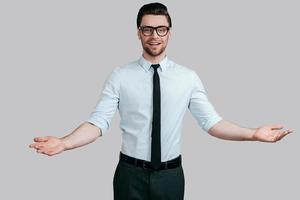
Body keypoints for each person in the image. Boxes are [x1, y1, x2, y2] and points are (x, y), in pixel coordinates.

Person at [29, 2, 293, 200]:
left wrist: (253, 134)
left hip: (170, 176)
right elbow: (98, 123)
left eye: (161, 29)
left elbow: (212, 123)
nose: (154, 35)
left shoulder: (188, 77)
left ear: (169, 32)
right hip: (129, 175)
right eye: (148, 29)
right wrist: (64, 143)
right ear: (138, 33)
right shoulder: (120, 76)